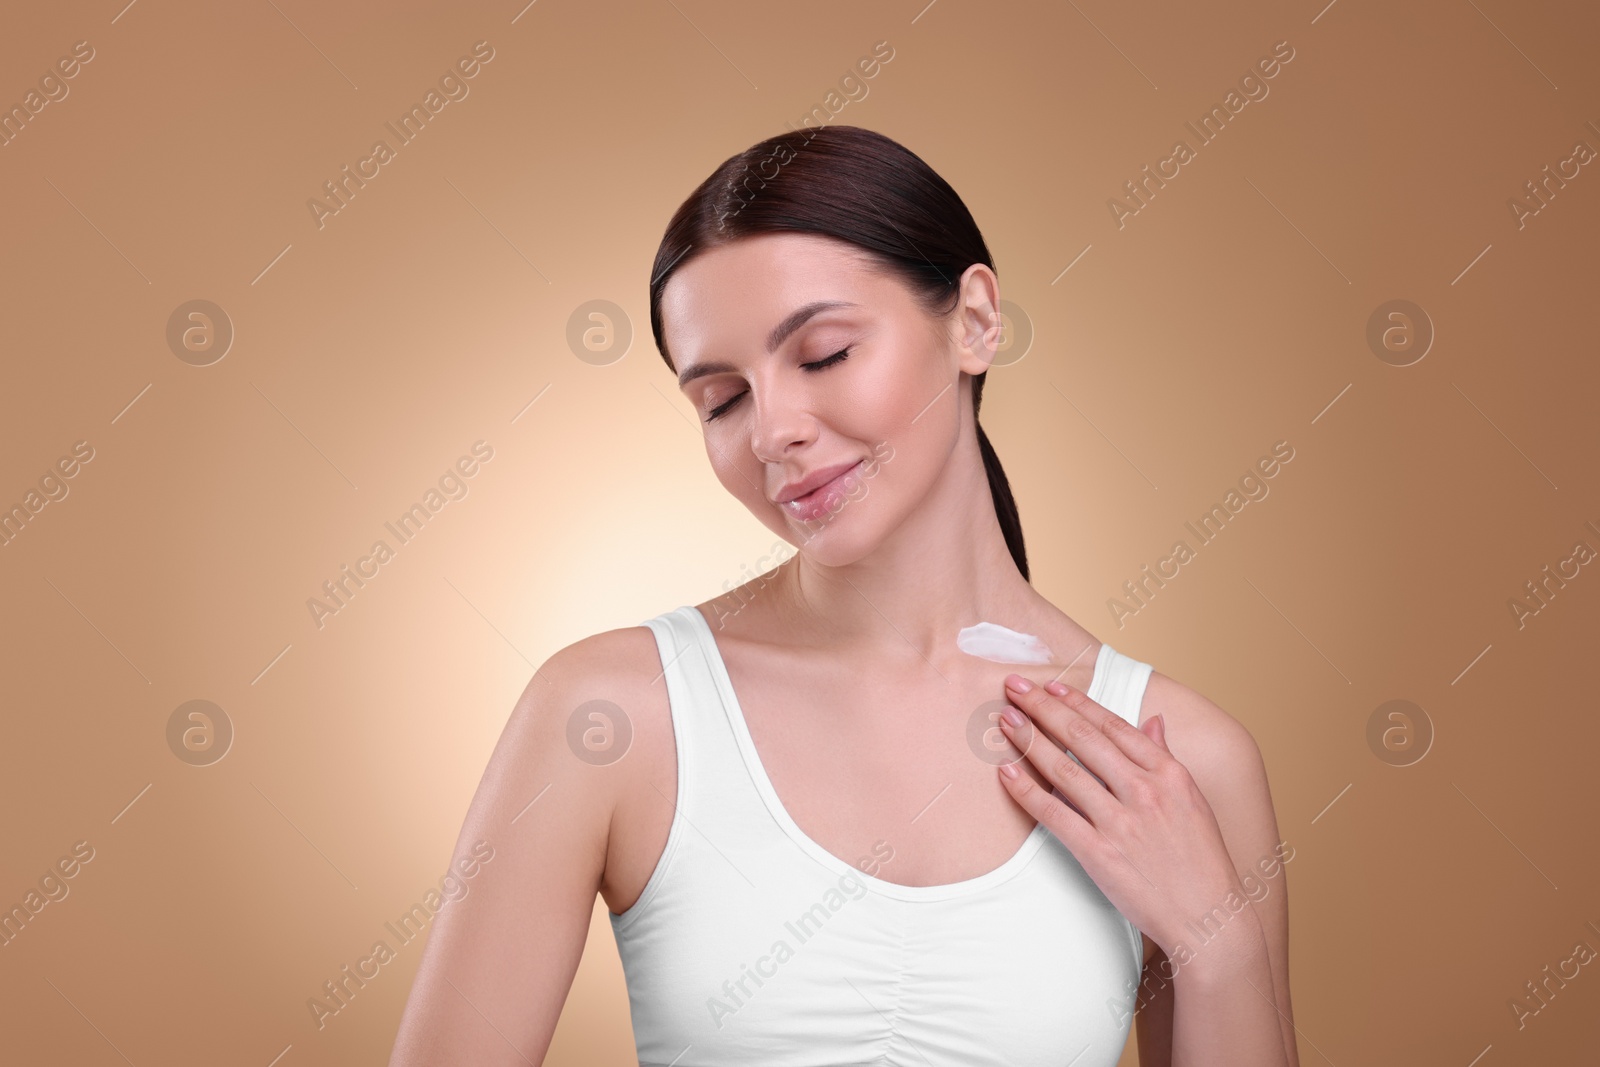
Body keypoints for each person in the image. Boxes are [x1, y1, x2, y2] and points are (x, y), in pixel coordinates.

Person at [389, 125, 1298, 1067]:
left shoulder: (1179, 761)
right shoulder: (611, 714)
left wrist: (1219, 946)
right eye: (722, 400)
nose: (775, 428)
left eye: (822, 355)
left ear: (976, 321)